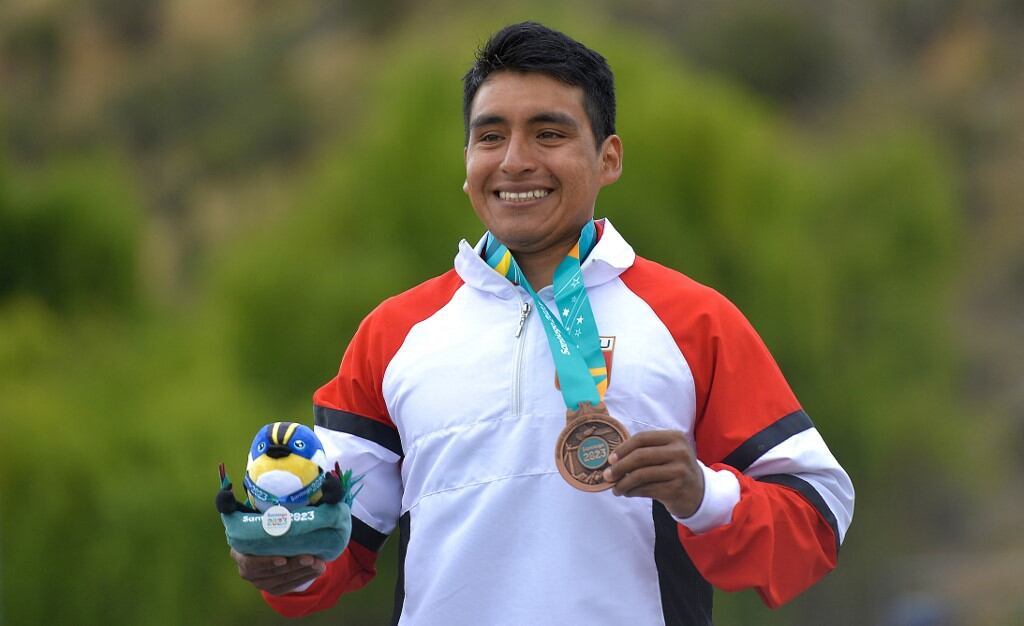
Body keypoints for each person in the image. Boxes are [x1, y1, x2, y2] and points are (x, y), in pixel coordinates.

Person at [230, 21, 854, 625]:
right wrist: (283, 557)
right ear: (467, 159)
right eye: (490, 136)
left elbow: (816, 520)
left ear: (609, 158)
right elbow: (330, 546)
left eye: (549, 134)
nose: (515, 161)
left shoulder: (694, 321)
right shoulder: (393, 335)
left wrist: (701, 494)